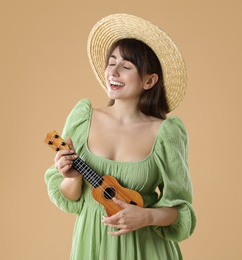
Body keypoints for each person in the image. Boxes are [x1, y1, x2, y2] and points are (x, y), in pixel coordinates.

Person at [45, 14, 196, 260]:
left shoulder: (166, 133)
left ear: (149, 80)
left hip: (147, 248)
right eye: (111, 62)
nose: (113, 72)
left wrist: (146, 216)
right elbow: (71, 198)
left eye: (126, 67)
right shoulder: (83, 118)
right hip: (92, 246)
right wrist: (70, 177)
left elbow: (181, 210)